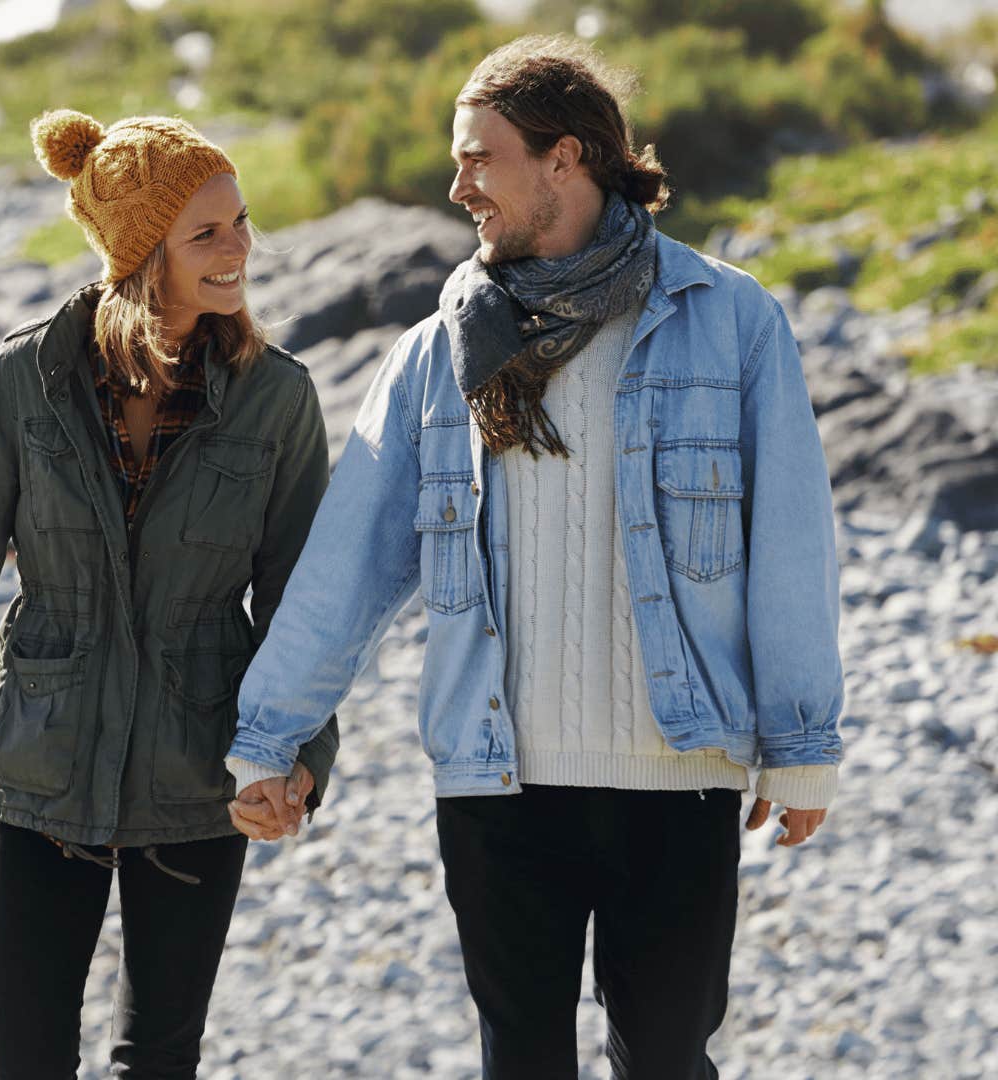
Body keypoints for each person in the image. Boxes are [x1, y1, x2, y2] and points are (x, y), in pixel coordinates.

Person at [224, 36, 844, 1079]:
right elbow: (353, 562)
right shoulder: (437, 352)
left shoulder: (728, 322)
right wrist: (267, 739)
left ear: (565, 159)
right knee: (521, 1062)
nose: (457, 185)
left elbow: (789, 543)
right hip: (497, 783)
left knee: (666, 1062)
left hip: (676, 779)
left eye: (480, 158)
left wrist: (802, 741)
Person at [0, 108, 339, 1078]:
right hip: (41, 770)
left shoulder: (279, 398)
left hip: (197, 778)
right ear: (144, 250)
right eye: (207, 232)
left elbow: (303, 607)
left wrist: (302, 759)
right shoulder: (27, 380)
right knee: (26, 1059)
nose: (239, 249)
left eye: (241, 221)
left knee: (158, 1061)